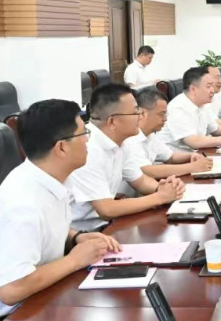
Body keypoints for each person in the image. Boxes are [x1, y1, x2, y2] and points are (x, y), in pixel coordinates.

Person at [0, 99, 121, 319]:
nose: (88, 140)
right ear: (61, 147)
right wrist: (75, 260)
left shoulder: (49, 177)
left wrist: (76, 238)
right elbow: (11, 290)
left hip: (37, 297)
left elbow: (44, 224)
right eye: (84, 133)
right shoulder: (21, 204)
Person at [69, 84, 185, 229]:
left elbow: (141, 181)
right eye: (135, 112)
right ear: (112, 122)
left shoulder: (123, 141)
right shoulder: (88, 148)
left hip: (107, 224)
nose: (140, 116)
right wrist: (159, 197)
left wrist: (166, 189)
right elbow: (106, 209)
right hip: (83, 232)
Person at [121, 89, 213, 188]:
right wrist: (192, 167)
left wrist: (191, 155)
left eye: (166, 114)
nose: (165, 119)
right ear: (143, 113)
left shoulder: (150, 134)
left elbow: (170, 157)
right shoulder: (131, 138)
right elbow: (148, 171)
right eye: (161, 114)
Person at [157, 66, 221, 151]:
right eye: (208, 86)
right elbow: (193, 141)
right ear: (193, 89)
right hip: (176, 161)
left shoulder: (203, 104)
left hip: (196, 154)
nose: (212, 90)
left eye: (212, 86)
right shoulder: (179, 108)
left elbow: (215, 129)